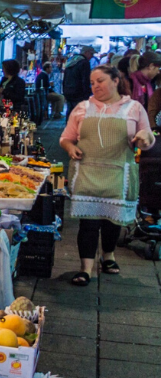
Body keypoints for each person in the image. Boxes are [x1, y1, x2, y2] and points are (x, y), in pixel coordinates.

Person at [60, 65, 156, 286]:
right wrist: (69, 148)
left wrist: (144, 138)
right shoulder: (82, 108)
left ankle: (108, 256)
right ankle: (86, 269)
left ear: (115, 81)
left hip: (118, 174)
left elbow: (148, 138)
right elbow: (66, 137)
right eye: (93, 82)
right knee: (89, 223)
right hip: (88, 171)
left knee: (112, 221)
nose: (95, 86)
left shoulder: (134, 108)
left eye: (101, 80)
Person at [64, 46, 96, 115]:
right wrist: (86, 95)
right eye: (91, 54)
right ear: (86, 53)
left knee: (70, 113)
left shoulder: (72, 61)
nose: (92, 57)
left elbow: (65, 78)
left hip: (68, 91)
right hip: (78, 93)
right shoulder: (84, 62)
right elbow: (85, 80)